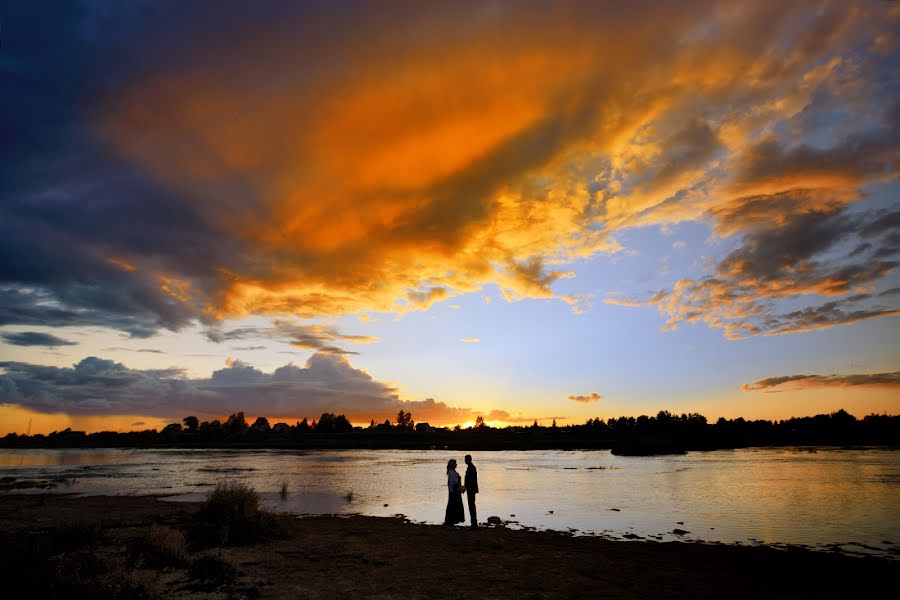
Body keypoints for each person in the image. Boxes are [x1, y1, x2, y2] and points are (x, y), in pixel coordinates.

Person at [443, 459, 464, 526]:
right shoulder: (451, 473)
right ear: (452, 465)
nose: (456, 464)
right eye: (455, 463)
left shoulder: (452, 472)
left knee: (453, 506)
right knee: (452, 506)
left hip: (454, 491)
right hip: (454, 492)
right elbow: (453, 483)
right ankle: (450, 521)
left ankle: (451, 521)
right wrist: (460, 488)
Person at [464, 454, 479, 528]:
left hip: (471, 490)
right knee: (471, 505)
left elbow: (471, 480)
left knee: (471, 506)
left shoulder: (471, 468)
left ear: (468, 460)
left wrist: (466, 487)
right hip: (471, 489)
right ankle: (473, 523)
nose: (464, 461)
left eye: (465, 459)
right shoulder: (471, 467)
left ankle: (474, 523)